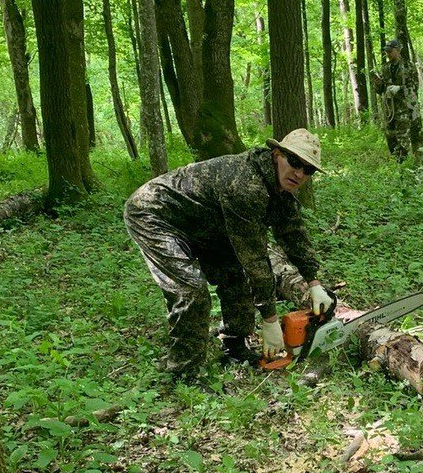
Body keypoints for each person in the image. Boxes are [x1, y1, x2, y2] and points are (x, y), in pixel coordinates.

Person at [123, 129, 336, 379]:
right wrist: (269, 319)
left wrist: (314, 282)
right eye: (295, 163)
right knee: (191, 291)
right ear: (277, 155)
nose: (299, 173)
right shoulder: (247, 186)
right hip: (156, 214)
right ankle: (184, 372)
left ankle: (234, 343)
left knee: (234, 274)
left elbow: (293, 233)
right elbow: (255, 257)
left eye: (307, 170)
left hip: (205, 220)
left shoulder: (280, 189)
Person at [371, 38, 419, 160]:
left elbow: (414, 86)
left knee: (403, 136)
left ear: (397, 50)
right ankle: (395, 160)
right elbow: (380, 90)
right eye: (386, 51)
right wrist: (377, 83)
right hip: (389, 110)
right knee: (390, 136)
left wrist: (400, 88)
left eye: (390, 51)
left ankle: (403, 162)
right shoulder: (385, 68)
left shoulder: (408, 66)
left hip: (404, 108)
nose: (387, 54)